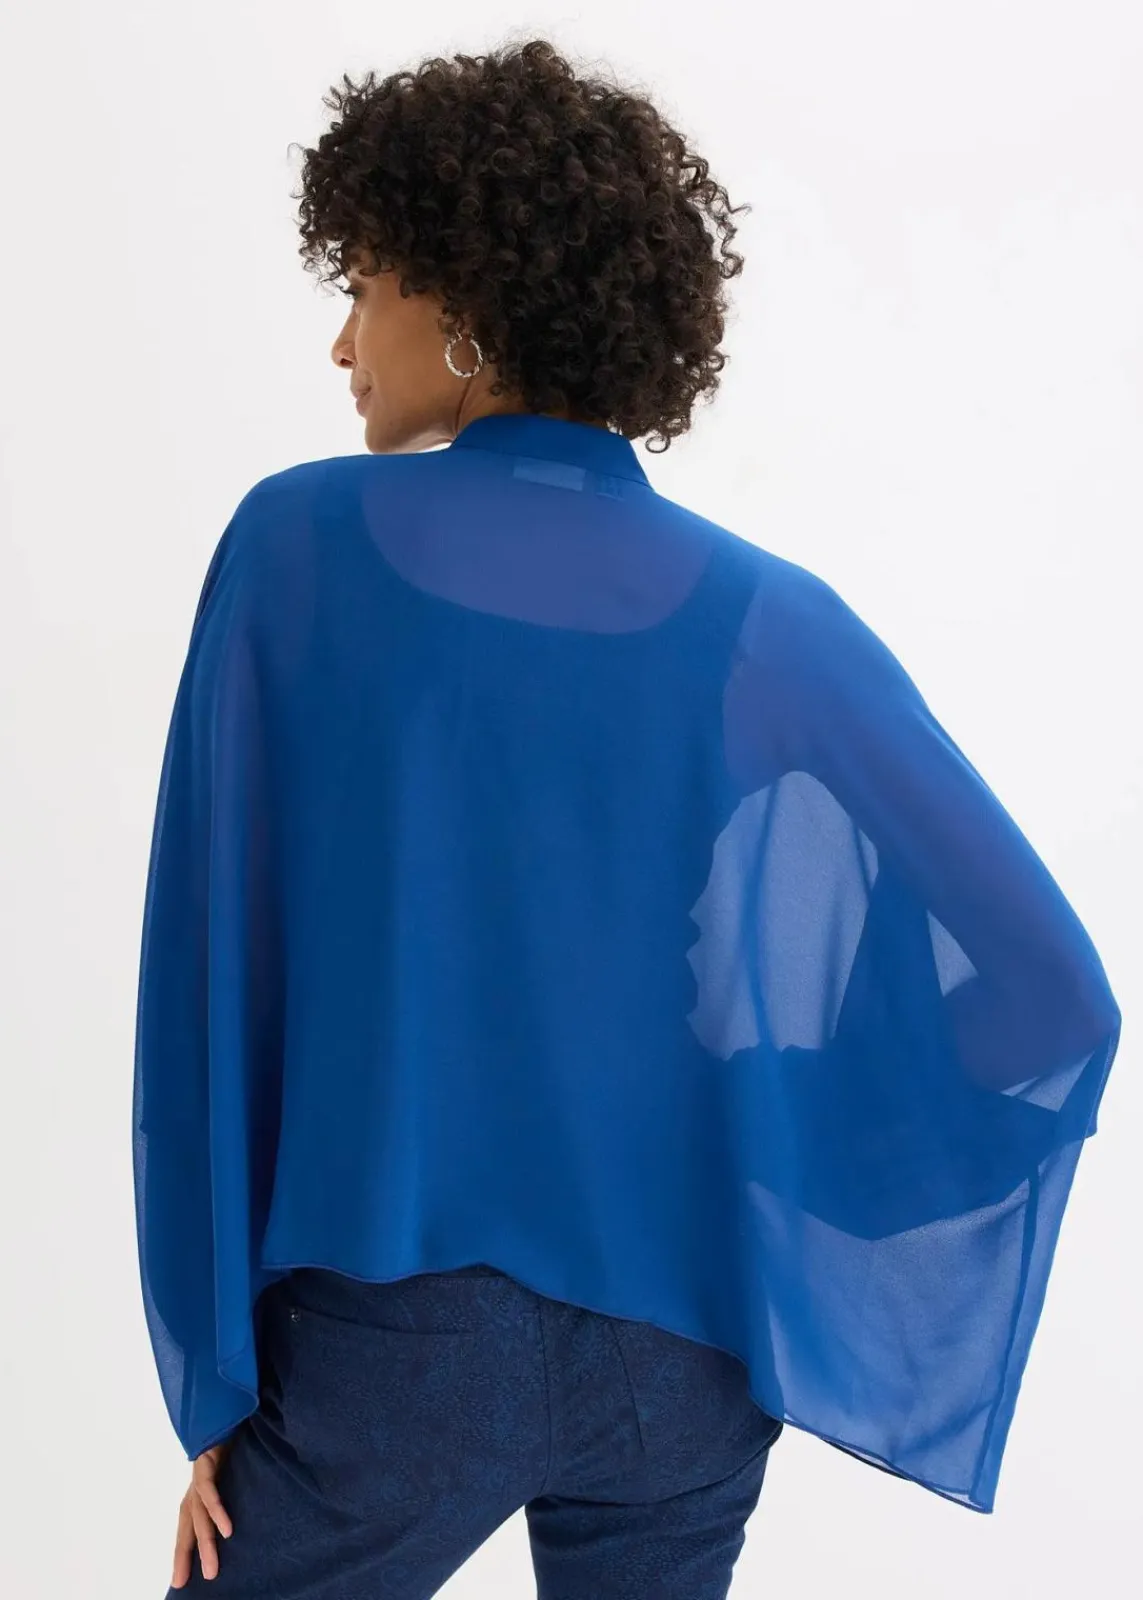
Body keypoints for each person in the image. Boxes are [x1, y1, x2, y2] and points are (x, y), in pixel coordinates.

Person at [132, 36, 1122, 1600]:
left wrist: (212, 1382)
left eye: (366, 285)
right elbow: (1051, 995)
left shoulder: (300, 545)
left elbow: (210, 967)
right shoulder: (770, 617)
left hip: (398, 1337)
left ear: (464, 304)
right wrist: (772, 1139)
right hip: (687, 1355)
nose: (341, 340)